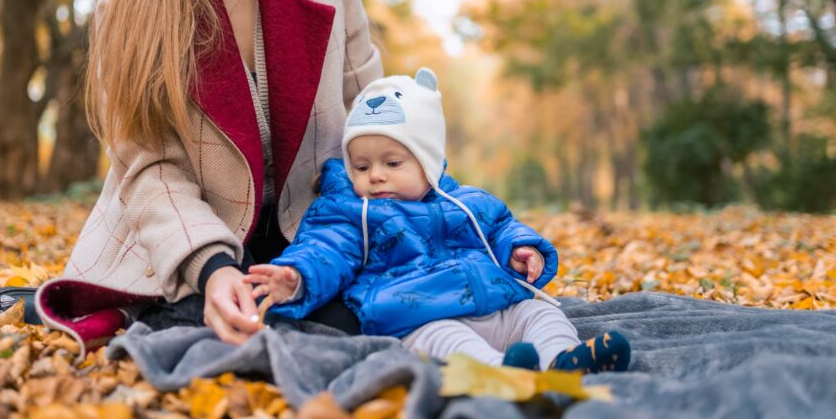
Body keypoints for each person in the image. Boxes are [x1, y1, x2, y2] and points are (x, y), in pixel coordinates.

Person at [28, 0, 382, 356]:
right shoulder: (126, 3)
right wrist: (215, 269)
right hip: (189, 242)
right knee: (205, 326)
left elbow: (376, 118)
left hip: (318, 239)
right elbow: (148, 170)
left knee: (378, 314)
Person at [244, 68, 631, 372]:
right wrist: (296, 276)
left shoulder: (465, 201)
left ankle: (561, 359)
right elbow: (324, 248)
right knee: (447, 341)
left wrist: (520, 249)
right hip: (417, 315)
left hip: (493, 306)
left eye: (392, 163)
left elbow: (500, 226)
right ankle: (501, 373)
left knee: (539, 312)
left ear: (426, 161)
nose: (375, 175)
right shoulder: (351, 212)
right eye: (361, 166)